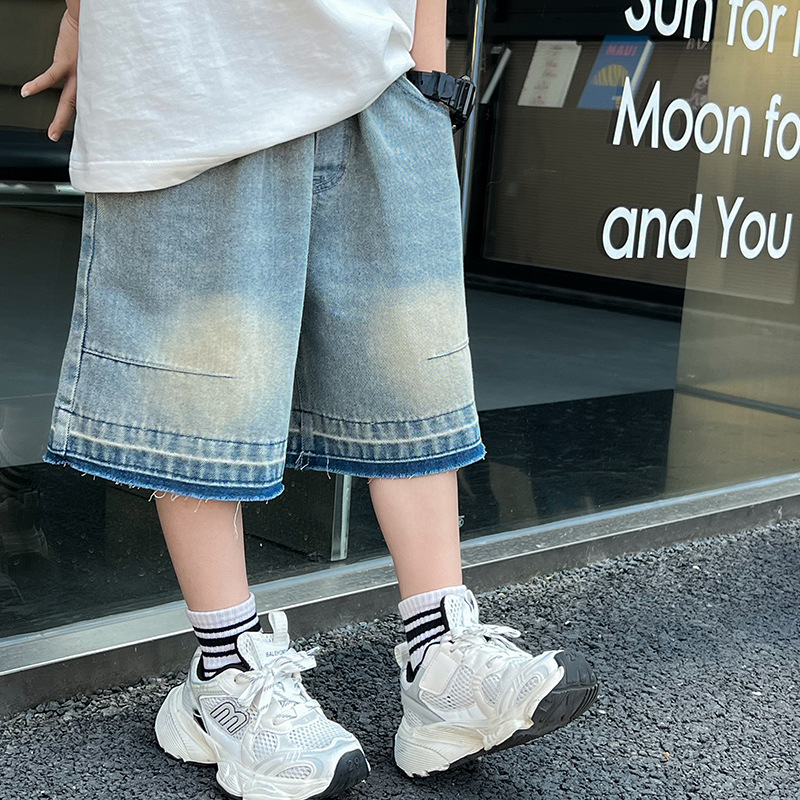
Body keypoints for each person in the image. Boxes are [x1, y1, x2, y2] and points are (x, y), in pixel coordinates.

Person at [24, 1, 599, 798]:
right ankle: (224, 674)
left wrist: (429, 79)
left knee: (408, 371)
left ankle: (442, 658)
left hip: (375, 66)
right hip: (191, 61)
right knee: (204, 382)